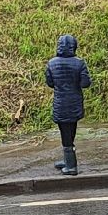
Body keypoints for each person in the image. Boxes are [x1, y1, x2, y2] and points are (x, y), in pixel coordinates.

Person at [43, 34, 92, 176]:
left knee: (64, 132)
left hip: (60, 103)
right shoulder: (79, 63)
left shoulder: (51, 63)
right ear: (74, 47)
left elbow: (50, 83)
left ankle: (70, 165)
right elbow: (85, 83)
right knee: (71, 131)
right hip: (75, 103)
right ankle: (69, 161)